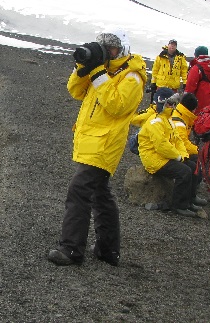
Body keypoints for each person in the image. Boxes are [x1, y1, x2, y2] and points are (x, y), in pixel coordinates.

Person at [48, 30, 147, 267]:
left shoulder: (131, 77)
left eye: (111, 49)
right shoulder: (104, 70)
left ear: (122, 50)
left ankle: (71, 249)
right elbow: (75, 91)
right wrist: (82, 66)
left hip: (105, 144)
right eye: (104, 47)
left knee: (79, 190)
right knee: (100, 194)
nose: (107, 52)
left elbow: (116, 105)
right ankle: (107, 250)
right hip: (92, 141)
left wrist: (97, 72)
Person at [138, 88, 201, 216]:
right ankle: (178, 205)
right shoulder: (155, 122)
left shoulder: (168, 119)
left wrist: (183, 155)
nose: (172, 106)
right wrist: (178, 157)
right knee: (184, 172)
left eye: (174, 103)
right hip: (154, 159)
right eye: (169, 103)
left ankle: (189, 200)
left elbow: (178, 140)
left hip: (164, 156)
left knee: (193, 167)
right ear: (161, 103)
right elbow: (161, 146)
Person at [185, 45, 210, 112]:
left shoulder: (196, 69)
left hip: (197, 104)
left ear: (196, 55)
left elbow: (189, 89)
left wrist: (185, 104)